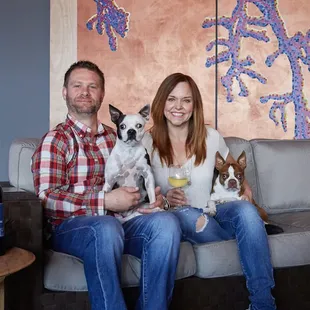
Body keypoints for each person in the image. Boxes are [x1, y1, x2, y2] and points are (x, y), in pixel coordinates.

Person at [31, 60, 181, 310]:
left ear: (102, 94)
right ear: (65, 92)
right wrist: (104, 201)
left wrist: (154, 199)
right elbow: (46, 198)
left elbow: (141, 180)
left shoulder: (119, 137)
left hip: (121, 221)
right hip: (71, 229)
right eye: (77, 85)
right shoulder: (56, 140)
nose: (85, 91)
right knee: (105, 227)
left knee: (167, 224)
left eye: (93, 86)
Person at [142, 72, 276, 310]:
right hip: (175, 215)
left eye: (186, 100)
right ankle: (247, 237)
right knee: (185, 214)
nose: (178, 107)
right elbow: (141, 194)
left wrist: (246, 195)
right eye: (171, 99)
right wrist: (164, 201)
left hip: (212, 211)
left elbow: (237, 172)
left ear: (195, 106)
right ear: (161, 102)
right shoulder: (146, 142)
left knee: (246, 211)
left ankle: (263, 305)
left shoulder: (211, 137)